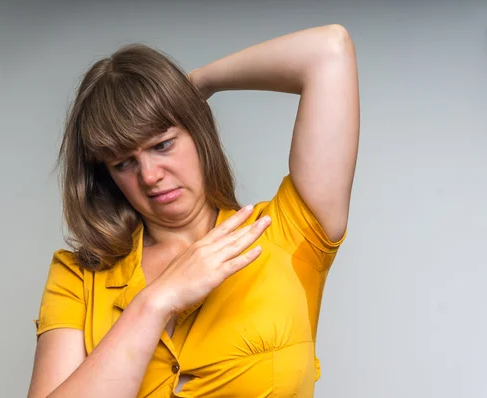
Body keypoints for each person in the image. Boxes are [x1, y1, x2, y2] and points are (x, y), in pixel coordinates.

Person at [28, 23, 359, 398]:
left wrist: (195, 85)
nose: (150, 175)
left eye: (163, 144)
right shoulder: (78, 277)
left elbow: (329, 50)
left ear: (197, 131)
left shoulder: (289, 232)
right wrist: (156, 302)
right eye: (123, 164)